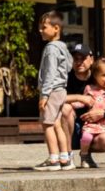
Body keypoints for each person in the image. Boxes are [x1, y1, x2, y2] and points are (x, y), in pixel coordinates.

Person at [66, 58, 105, 168]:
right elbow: (85, 101)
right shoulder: (88, 87)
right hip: (88, 125)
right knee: (86, 137)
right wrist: (73, 103)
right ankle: (83, 156)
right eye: (104, 75)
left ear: (91, 59)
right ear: (96, 75)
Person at [32, 10, 74, 172]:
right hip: (61, 90)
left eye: (44, 27)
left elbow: (49, 73)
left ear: (56, 28)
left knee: (47, 125)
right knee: (57, 124)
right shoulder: (63, 47)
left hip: (52, 91)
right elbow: (69, 65)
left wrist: (44, 95)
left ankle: (53, 159)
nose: (40, 30)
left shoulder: (50, 48)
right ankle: (65, 158)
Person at [59, 43, 94, 162]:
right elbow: (56, 98)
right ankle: (68, 154)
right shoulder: (66, 78)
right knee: (65, 108)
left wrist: (103, 112)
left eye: (83, 58)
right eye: (76, 59)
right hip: (71, 125)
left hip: (93, 125)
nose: (79, 62)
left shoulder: (98, 77)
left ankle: (86, 155)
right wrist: (80, 97)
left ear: (91, 59)